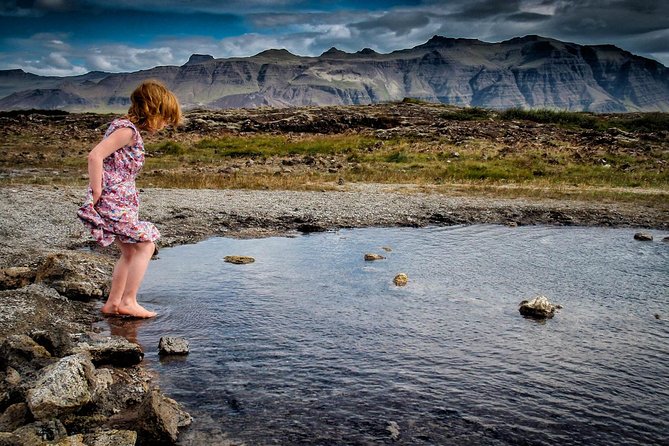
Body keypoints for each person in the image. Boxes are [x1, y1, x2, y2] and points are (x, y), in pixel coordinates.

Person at [77, 80, 181, 318]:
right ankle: (128, 301)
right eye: (165, 117)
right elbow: (95, 156)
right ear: (152, 110)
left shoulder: (123, 127)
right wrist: (96, 192)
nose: (165, 124)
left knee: (130, 252)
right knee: (146, 244)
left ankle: (113, 304)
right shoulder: (127, 131)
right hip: (114, 201)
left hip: (121, 201)